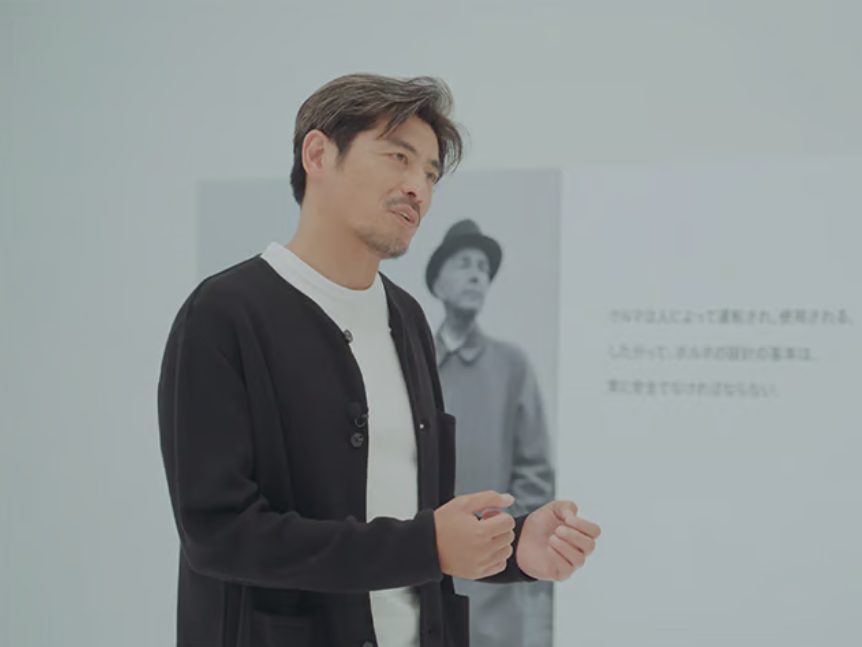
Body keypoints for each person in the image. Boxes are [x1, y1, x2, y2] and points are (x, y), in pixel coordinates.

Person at [157, 73, 600, 647]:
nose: (418, 188)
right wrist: (425, 545)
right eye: (398, 157)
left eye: (431, 174)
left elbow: (411, 511)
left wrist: (516, 548)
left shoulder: (408, 318)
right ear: (318, 154)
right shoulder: (224, 314)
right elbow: (219, 534)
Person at [426, 219, 556, 647]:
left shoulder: (512, 366)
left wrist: (500, 535)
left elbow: (535, 470)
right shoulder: (413, 362)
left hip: (495, 579)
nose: (476, 275)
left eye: (483, 268)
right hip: (420, 569)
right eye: (464, 264)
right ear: (438, 283)